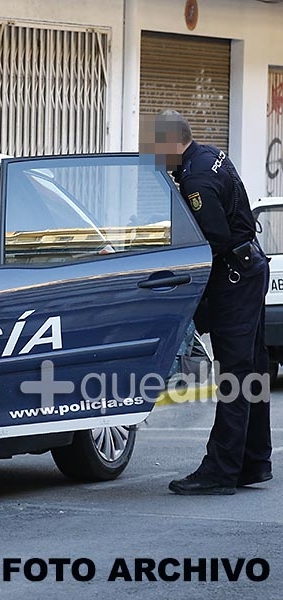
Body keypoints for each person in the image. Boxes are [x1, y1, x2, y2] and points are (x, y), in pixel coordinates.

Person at [144, 110, 271, 495]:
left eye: (156, 147)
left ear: (172, 141)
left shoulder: (195, 178)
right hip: (248, 269)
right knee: (252, 368)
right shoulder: (210, 155)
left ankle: (221, 470)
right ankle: (253, 461)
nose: (154, 155)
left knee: (236, 373)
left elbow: (210, 241)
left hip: (234, 277)